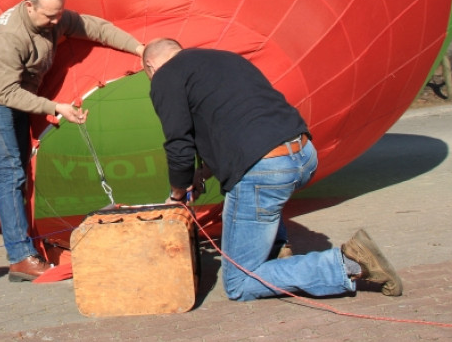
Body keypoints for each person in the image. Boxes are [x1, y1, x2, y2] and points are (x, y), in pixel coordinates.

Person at [141, 38, 403, 301]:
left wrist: (177, 195)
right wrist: (201, 174)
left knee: (240, 283)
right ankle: (278, 250)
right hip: (302, 154)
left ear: (150, 65)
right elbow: (244, 124)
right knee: (257, 196)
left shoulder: (166, 75)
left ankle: (348, 264)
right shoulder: (226, 59)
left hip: (266, 169)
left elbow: (179, 145)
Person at [0, 0, 144, 281]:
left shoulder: (54, 19)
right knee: (10, 174)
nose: (56, 21)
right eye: (49, 16)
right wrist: (56, 107)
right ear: (29, 6)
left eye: (59, 14)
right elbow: (8, 94)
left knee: (22, 170)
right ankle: (20, 258)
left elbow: (96, 28)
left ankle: (28, 239)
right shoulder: (10, 38)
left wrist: (139, 48)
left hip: (21, 92)